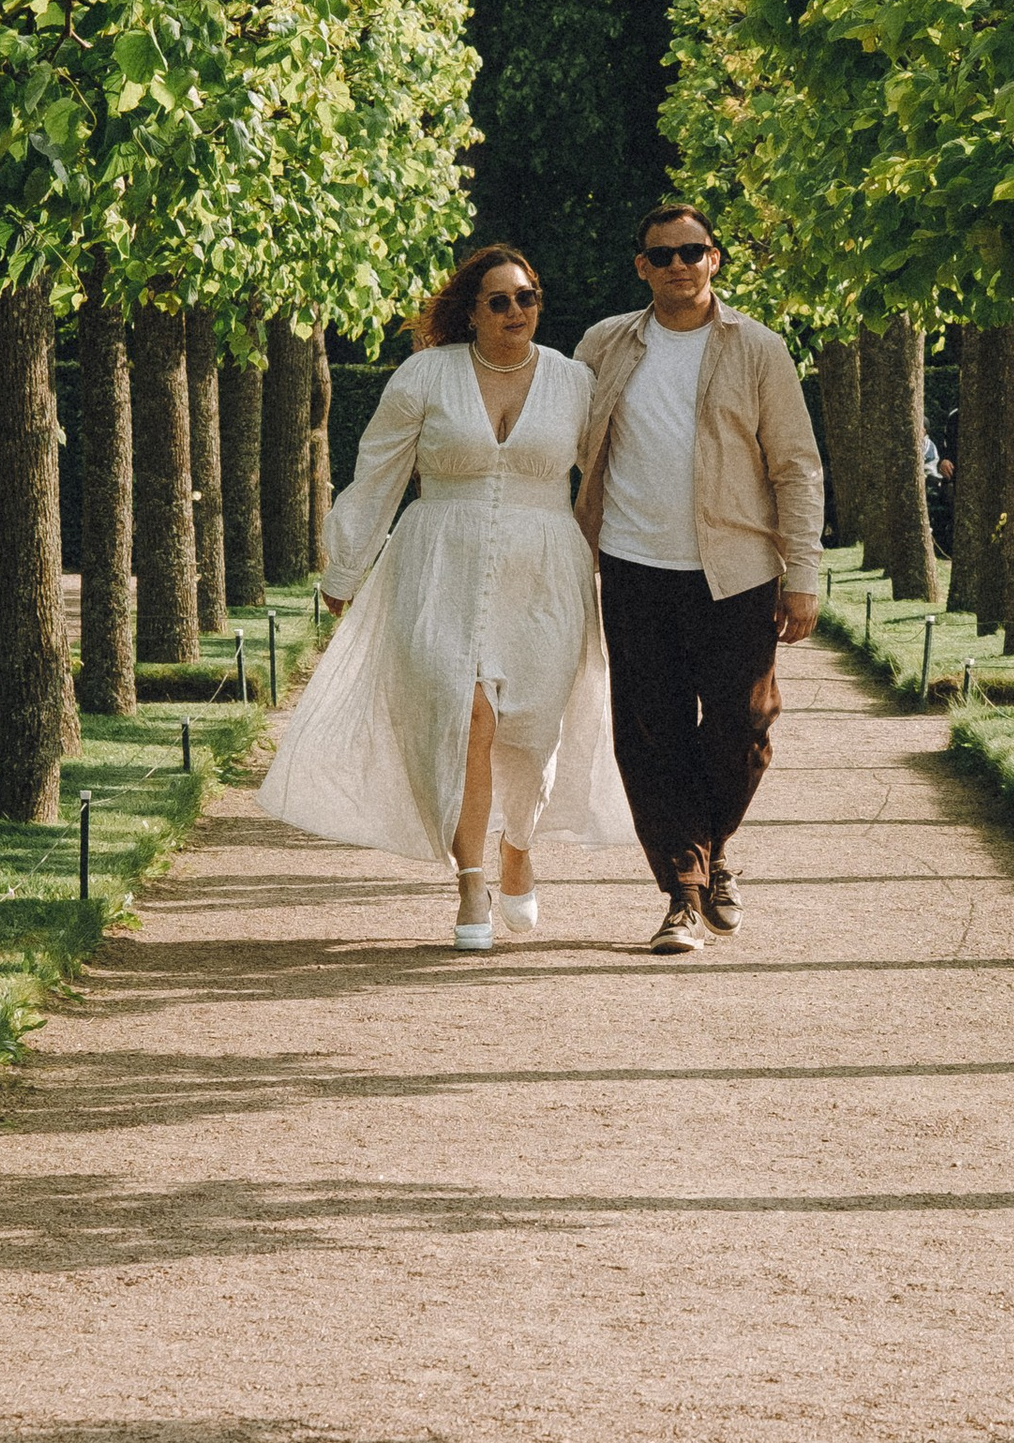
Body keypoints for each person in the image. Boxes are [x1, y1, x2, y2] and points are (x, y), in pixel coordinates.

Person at [258, 243, 629, 950]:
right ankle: (470, 884)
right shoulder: (425, 376)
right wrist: (345, 570)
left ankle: (519, 847)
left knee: (533, 729)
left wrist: (631, 570)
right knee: (466, 722)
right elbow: (378, 473)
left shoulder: (574, 381)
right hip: (438, 569)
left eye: (527, 297)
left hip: (545, 575)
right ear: (471, 311)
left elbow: (611, 477)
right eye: (500, 300)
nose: (517, 310)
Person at [575, 199, 824, 956]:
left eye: (693, 251)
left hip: (737, 571)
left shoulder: (758, 347)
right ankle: (684, 892)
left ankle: (711, 851)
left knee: (742, 728)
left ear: (715, 258)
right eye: (662, 254)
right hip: (631, 564)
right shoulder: (602, 345)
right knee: (648, 735)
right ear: (642, 267)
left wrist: (803, 572)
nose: (678, 264)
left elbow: (795, 465)